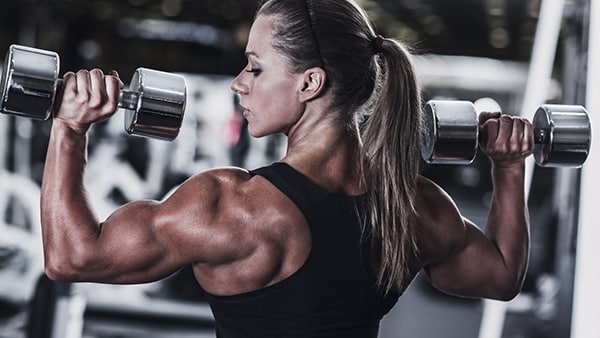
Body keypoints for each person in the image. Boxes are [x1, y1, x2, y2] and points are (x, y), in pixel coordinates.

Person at [39, 0, 533, 336]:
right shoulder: (413, 207)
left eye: (255, 66)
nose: (239, 83)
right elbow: (502, 275)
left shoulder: (232, 208)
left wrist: (70, 129)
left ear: (309, 83)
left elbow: (72, 257)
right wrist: (509, 168)